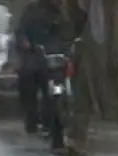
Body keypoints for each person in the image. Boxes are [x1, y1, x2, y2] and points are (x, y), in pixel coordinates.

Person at [59, 0, 118, 156]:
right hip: (90, 48)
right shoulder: (96, 6)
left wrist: (115, 58)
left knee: (112, 99)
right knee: (83, 94)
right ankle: (77, 142)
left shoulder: (117, 5)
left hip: (105, 56)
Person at [12, 0, 72, 135]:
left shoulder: (65, 13)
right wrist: (25, 43)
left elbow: (69, 35)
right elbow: (20, 30)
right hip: (34, 55)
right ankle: (31, 118)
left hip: (55, 58)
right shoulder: (32, 10)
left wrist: (66, 48)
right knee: (27, 79)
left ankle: (52, 118)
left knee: (56, 87)